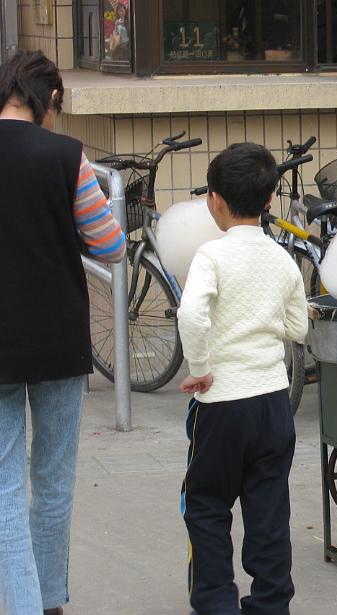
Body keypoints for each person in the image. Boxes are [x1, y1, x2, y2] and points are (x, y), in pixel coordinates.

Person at [0, 50, 126, 615]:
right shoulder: (66, 157)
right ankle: (48, 601)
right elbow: (112, 247)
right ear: (50, 99)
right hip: (57, 337)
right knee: (52, 480)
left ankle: (22, 605)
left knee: (3, 489)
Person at [177, 142, 308, 615]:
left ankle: (215, 603)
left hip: (222, 402)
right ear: (271, 199)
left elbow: (191, 314)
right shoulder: (283, 258)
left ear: (214, 199)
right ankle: (272, 602)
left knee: (207, 504)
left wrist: (199, 369)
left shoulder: (211, 255)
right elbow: (298, 328)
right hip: (273, 402)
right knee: (268, 505)